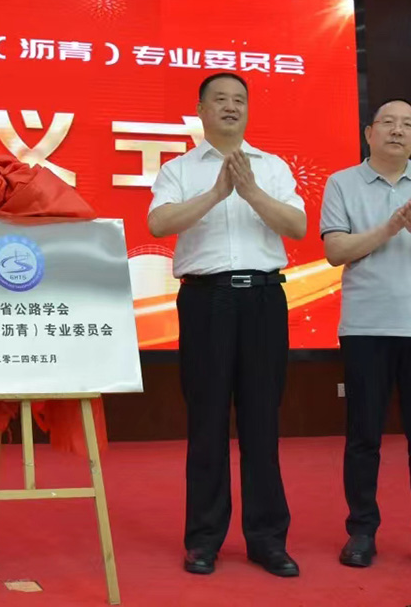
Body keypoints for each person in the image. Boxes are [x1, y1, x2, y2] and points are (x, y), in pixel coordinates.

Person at [147, 72, 307, 577]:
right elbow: (158, 224)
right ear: (201, 110)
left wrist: (250, 191)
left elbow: (298, 226)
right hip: (205, 301)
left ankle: (267, 540)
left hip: (263, 300)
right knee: (207, 422)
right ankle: (203, 540)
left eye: (239, 99)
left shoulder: (272, 167)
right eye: (220, 99)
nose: (231, 107)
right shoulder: (177, 169)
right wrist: (218, 192)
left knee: (262, 421)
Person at [320, 98, 411, 575]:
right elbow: (336, 251)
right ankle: (361, 531)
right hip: (366, 327)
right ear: (369, 132)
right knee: (363, 437)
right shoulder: (342, 182)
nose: (397, 131)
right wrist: (387, 229)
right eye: (388, 123)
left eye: (407, 125)